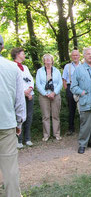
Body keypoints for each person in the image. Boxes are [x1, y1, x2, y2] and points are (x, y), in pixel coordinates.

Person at [0, 35, 26, 197]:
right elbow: (19, 100)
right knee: (10, 167)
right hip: (7, 124)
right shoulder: (12, 67)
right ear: (2, 47)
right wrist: (19, 122)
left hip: (7, 123)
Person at [10, 48, 34, 149]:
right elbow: (14, 82)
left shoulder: (25, 67)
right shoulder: (11, 67)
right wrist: (23, 92)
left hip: (29, 95)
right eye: (23, 53)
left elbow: (30, 79)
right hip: (19, 96)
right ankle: (18, 140)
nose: (24, 55)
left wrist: (29, 89)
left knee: (29, 117)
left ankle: (27, 138)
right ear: (17, 54)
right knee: (19, 118)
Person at [36, 54, 63, 142]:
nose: (48, 60)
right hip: (44, 96)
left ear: (52, 61)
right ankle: (46, 135)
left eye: (49, 59)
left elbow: (60, 83)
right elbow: (38, 84)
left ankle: (57, 134)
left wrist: (54, 93)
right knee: (45, 116)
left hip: (55, 95)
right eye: (46, 59)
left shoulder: (56, 71)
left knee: (56, 115)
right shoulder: (40, 71)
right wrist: (45, 93)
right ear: (43, 61)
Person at [62, 49, 81, 136]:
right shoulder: (67, 66)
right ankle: (71, 128)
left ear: (79, 56)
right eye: (73, 55)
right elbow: (64, 79)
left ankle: (83, 128)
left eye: (76, 55)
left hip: (81, 88)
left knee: (82, 109)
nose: (75, 57)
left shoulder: (83, 65)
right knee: (71, 109)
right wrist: (67, 89)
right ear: (71, 57)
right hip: (71, 87)